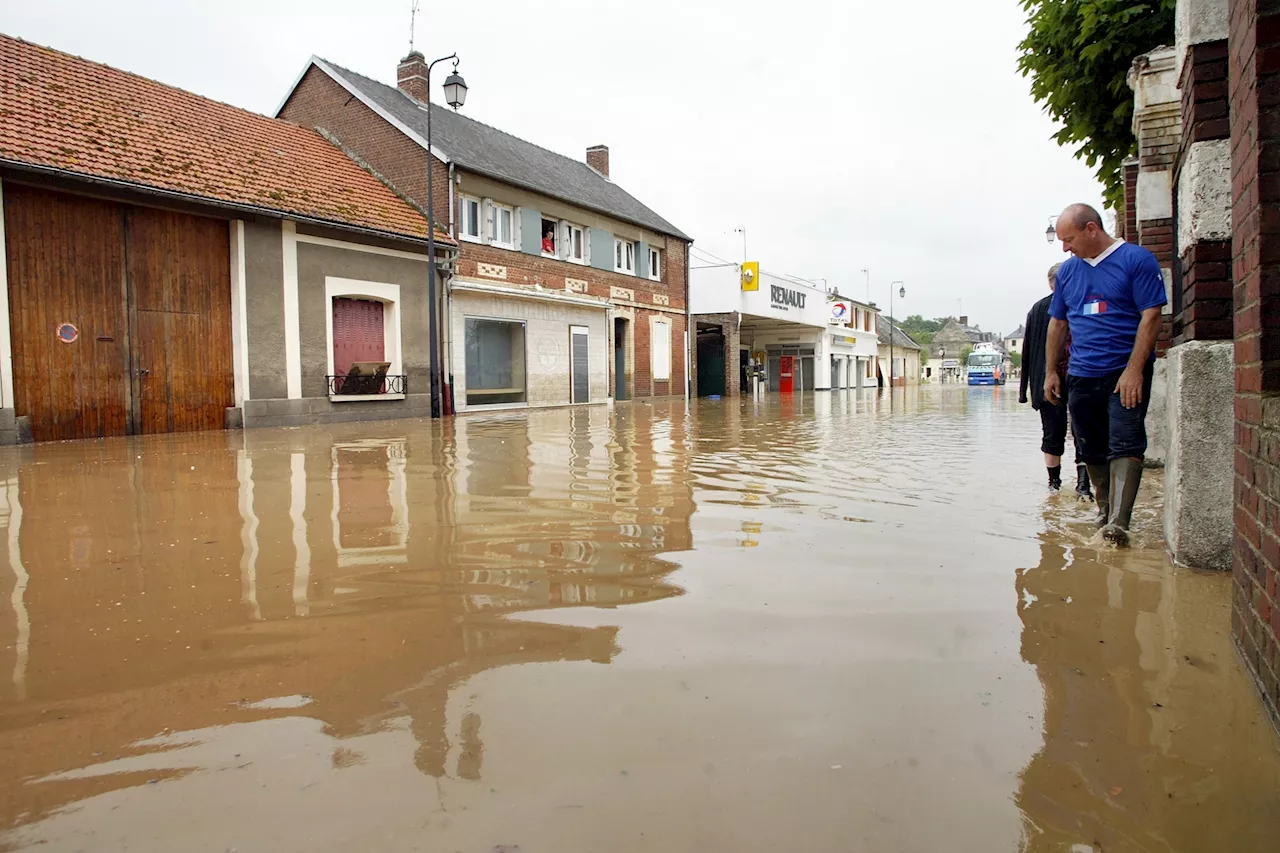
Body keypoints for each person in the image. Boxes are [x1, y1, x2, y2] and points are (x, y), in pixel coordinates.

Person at [1045, 203, 1166, 545]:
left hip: (1123, 372)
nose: (1065, 247)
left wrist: (1134, 371)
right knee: (1090, 445)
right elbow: (1058, 323)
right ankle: (1104, 509)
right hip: (1082, 374)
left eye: (1069, 239)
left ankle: (1119, 522)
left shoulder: (1136, 260)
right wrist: (1051, 372)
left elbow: (1152, 316)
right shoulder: (1068, 272)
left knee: (1126, 441)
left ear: (1091, 229)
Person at [1020, 262, 1091, 498]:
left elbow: (1027, 352)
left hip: (1056, 380)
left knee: (1057, 433)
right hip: (1075, 377)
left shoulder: (1039, 308)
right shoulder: (1078, 302)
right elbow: (1029, 349)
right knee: (1080, 431)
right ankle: (1080, 486)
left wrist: (1027, 390)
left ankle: (1056, 486)